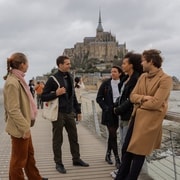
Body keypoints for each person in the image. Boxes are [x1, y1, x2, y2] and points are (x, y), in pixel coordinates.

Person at [115, 49, 173, 180]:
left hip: (149, 122)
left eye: (143, 61)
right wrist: (143, 98)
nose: (141, 63)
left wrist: (139, 103)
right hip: (136, 119)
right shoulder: (142, 77)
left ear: (151, 61)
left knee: (138, 154)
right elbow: (132, 96)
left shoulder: (165, 79)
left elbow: (156, 103)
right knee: (127, 150)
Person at [41, 55, 89, 174]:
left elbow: (73, 97)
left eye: (69, 63)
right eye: (67, 64)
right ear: (60, 65)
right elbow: (43, 97)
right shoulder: (53, 79)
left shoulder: (70, 77)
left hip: (69, 113)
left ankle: (76, 159)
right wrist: (56, 93)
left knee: (74, 137)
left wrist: (78, 111)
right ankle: (58, 163)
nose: (69, 65)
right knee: (58, 140)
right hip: (58, 113)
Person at [3, 52, 48, 180]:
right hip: (19, 128)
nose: (28, 65)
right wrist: (25, 128)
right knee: (18, 161)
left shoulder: (18, 79)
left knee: (29, 155)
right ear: (22, 65)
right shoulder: (13, 82)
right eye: (27, 63)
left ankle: (35, 178)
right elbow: (13, 109)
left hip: (23, 124)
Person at [110, 52, 143, 178]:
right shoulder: (126, 78)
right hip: (122, 116)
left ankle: (124, 172)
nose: (122, 65)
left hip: (129, 116)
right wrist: (116, 106)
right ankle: (123, 171)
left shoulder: (136, 79)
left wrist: (118, 109)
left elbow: (131, 99)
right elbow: (123, 96)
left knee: (127, 145)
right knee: (123, 144)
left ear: (131, 65)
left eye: (124, 63)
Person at [96, 66, 123, 169]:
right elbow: (99, 98)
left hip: (120, 111)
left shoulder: (123, 83)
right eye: (111, 72)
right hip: (109, 112)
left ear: (120, 73)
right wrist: (106, 108)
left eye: (115, 72)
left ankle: (107, 154)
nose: (112, 73)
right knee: (113, 134)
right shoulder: (106, 84)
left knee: (112, 136)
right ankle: (117, 158)